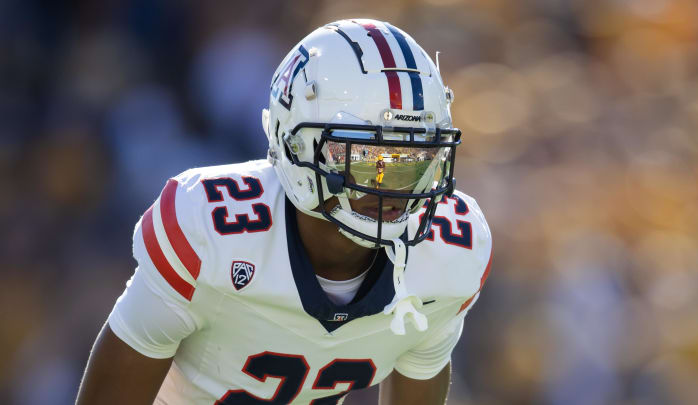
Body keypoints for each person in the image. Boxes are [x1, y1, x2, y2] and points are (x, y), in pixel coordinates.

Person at [76, 18, 492, 405]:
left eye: (413, 159)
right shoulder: (207, 229)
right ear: (295, 145)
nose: (395, 188)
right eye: (367, 157)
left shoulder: (452, 252)